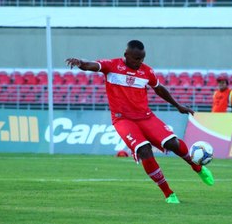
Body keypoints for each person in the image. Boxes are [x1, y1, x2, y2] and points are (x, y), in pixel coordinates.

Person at [65, 40, 214, 204]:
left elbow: (159, 88)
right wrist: (81, 63)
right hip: (123, 120)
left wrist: (177, 105)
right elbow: (92, 65)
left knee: (173, 143)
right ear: (126, 55)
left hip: (146, 117)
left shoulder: (147, 71)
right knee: (145, 151)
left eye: (142, 59)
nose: (139, 62)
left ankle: (197, 167)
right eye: (136, 58)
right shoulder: (112, 65)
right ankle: (169, 193)